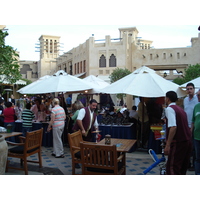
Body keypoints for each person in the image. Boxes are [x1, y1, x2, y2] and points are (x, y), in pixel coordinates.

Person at [164, 91, 192, 175]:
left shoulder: (170, 109)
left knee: (173, 168)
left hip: (178, 142)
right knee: (182, 168)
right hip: (187, 141)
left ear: (167, 99)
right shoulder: (181, 110)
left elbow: (173, 127)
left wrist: (168, 145)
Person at [191, 90, 200, 174]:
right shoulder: (196, 106)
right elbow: (193, 121)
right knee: (197, 158)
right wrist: (191, 132)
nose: (198, 97)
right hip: (197, 136)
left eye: (199, 95)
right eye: (197, 95)